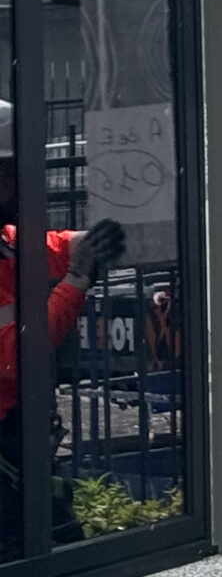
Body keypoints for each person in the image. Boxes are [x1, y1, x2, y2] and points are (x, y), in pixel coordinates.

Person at [0, 100, 127, 551]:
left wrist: (89, 241)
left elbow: (41, 244)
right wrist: (77, 281)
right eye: (8, 173)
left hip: (19, 439)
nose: (16, 186)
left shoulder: (5, 241)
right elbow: (17, 356)